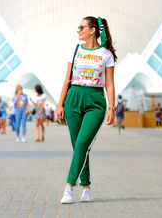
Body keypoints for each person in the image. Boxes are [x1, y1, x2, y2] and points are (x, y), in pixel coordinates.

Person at [57, 16, 116, 204]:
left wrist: (112, 108)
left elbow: (109, 83)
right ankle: (87, 188)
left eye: (81, 27)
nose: (78, 30)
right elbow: (67, 79)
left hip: (95, 102)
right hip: (73, 99)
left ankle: (68, 187)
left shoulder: (106, 54)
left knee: (82, 143)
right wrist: (60, 104)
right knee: (79, 147)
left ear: (92, 30)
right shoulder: (75, 50)